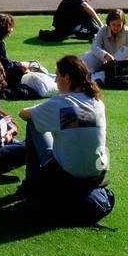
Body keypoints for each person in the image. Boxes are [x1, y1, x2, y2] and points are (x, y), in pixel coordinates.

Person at [17, 55, 112, 220]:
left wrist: (38, 108)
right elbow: (76, 122)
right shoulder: (97, 104)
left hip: (67, 176)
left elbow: (23, 114)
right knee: (56, 130)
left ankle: (31, 184)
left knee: (33, 122)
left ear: (67, 79)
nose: (55, 82)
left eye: (57, 76)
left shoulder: (59, 105)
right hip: (95, 175)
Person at [83, 8, 128, 87]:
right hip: (103, 59)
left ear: (123, 24)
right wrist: (105, 55)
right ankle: (95, 77)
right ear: (109, 23)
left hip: (122, 59)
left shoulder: (127, 31)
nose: (116, 28)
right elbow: (94, 46)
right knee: (85, 61)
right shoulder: (103, 30)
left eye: (119, 25)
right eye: (113, 24)